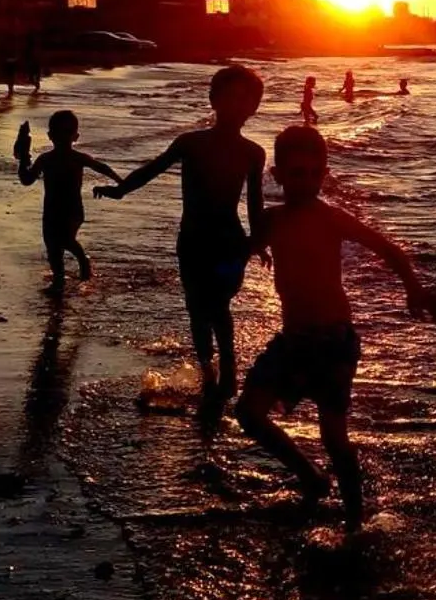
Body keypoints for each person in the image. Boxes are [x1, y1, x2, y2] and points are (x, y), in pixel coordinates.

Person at [235, 124, 436, 528]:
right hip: (292, 340)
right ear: (278, 176)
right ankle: (310, 476)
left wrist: (414, 290)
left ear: (324, 174)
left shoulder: (331, 218)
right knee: (249, 413)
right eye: (296, 173)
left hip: (333, 341)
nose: (306, 181)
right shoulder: (271, 221)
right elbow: (241, 251)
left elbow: (389, 248)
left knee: (334, 437)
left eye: (315, 173)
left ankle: (354, 521)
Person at [95, 65, 267, 409]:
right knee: (195, 308)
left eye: (245, 100)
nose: (236, 106)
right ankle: (208, 372)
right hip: (192, 242)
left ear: (254, 107)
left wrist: (259, 241)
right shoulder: (191, 143)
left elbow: (255, 201)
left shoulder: (253, 152)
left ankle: (229, 366)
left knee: (217, 305)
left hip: (230, 243)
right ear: (213, 100)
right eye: (229, 97)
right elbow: (153, 168)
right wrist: (121, 190)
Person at [16, 110, 119, 296]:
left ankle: (83, 261)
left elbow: (101, 167)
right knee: (52, 246)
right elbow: (27, 179)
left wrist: (121, 182)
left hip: (73, 211)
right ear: (50, 136)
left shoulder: (78, 158)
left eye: (67, 132)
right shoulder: (45, 159)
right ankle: (58, 279)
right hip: (51, 212)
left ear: (75, 136)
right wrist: (23, 158)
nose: (63, 137)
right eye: (58, 133)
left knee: (66, 239)